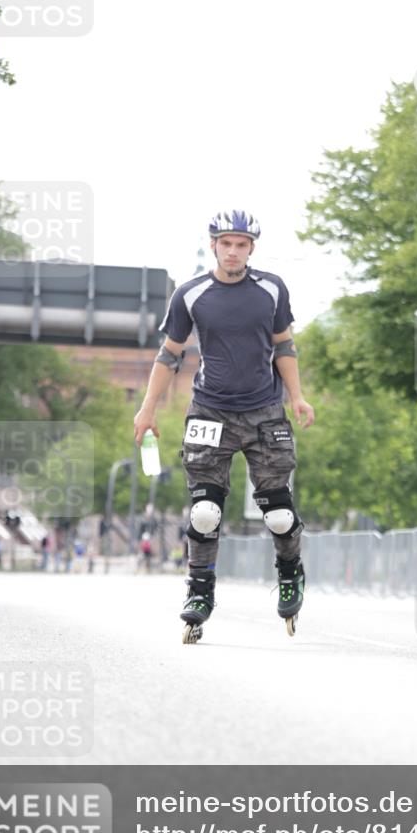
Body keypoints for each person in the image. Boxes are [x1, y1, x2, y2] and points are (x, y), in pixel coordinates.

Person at [134, 209, 314, 641]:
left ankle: (290, 573)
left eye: (241, 244)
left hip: (264, 411)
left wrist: (297, 396)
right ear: (213, 244)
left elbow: (284, 344)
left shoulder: (271, 289)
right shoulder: (191, 294)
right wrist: (147, 409)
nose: (233, 251)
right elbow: (169, 353)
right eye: (226, 243)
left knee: (279, 516)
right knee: (204, 511)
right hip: (209, 411)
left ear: (252, 247)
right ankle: (199, 592)